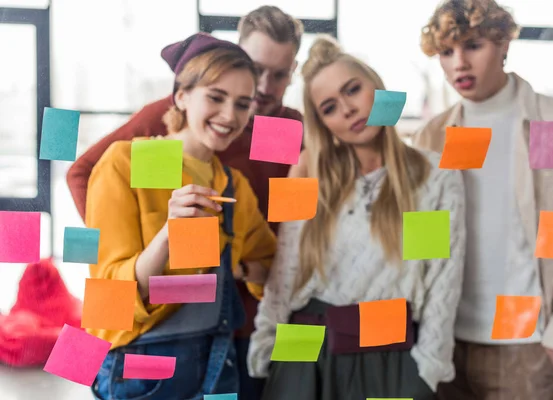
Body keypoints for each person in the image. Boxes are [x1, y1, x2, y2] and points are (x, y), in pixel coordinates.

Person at [66, 6, 304, 399]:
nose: (262, 87)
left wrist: (235, 265)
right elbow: (84, 175)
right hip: (146, 333)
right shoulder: (145, 144)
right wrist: (140, 246)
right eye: (256, 68)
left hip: (236, 329)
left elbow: (287, 235)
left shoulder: (280, 135)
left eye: (278, 75)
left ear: (294, 71)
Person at [247, 35, 466, 400]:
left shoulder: (433, 178)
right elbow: (283, 277)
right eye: (329, 107)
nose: (347, 109)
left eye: (353, 90)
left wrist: (426, 372)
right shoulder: (304, 172)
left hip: (388, 356)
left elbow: (441, 281)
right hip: (301, 352)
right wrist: (265, 359)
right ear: (323, 124)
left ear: (376, 88)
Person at [414, 1, 553, 399]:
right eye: (447, 52)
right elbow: (421, 245)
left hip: (527, 346)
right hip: (444, 343)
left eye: (473, 46)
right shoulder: (433, 135)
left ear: (503, 44)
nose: (459, 63)